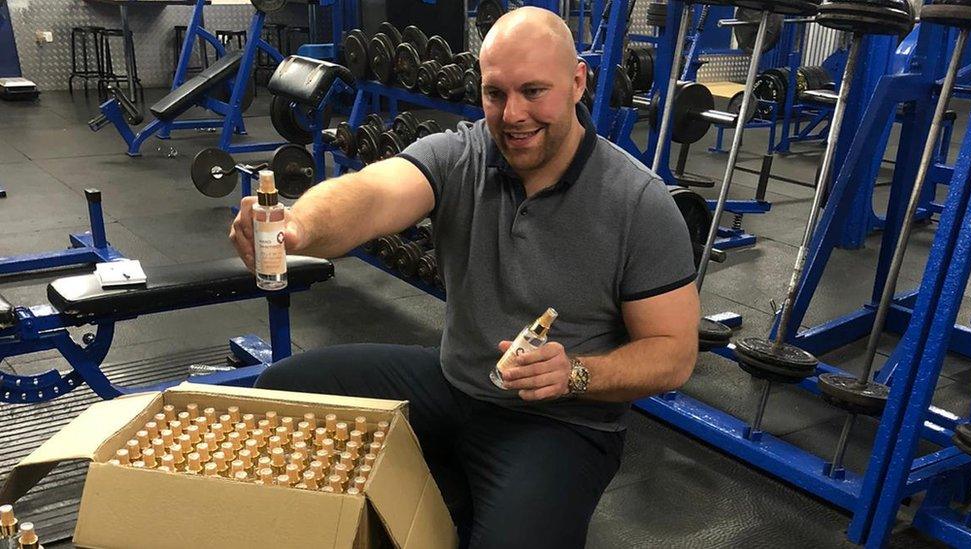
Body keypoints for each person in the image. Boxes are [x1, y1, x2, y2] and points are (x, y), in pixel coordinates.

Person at [229, 7, 699, 548]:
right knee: (281, 391)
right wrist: (297, 227)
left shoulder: (638, 201)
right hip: (454, 384)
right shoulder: (465, 153)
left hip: (561, 421)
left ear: (577, 83)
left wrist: (574, 375)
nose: (512, 114)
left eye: (533, 91)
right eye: (495, 94)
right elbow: (376, 190)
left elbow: (673, 353)